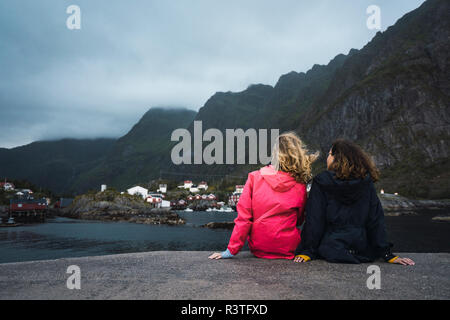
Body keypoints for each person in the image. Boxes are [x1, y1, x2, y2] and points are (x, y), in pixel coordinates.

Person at [294, 139, 414, 265]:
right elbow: (375, 219)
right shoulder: (366, 182)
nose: (327, 158)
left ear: (336, 158)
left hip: (331, 248)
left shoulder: (321, 181)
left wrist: (308, 251)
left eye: (329, 154)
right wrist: (387, 254)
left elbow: (315, 219)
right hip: (362, 249)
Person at [209, 132, 318, 260]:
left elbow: (244, 218)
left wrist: (230, 251)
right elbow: (299, 220)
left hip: (260, 247)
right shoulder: (300, 185)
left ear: (275, 154)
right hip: (289, 247)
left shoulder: (254, 177)